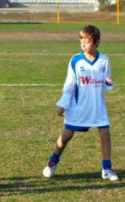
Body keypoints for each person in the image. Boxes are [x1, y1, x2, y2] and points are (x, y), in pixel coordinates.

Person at [42, 24, 119, 181]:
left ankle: (107, 168)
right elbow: (70, 84)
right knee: (66, 136)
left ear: (96, 42)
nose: (83, 44)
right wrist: (63, 104)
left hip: (97, 107)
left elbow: (107, 82)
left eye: (87, 41)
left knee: (105, 134)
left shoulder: (104, 60)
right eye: (81, 40)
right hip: (79, 108)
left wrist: (110, 82)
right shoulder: (76, 61)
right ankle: (52, 162)